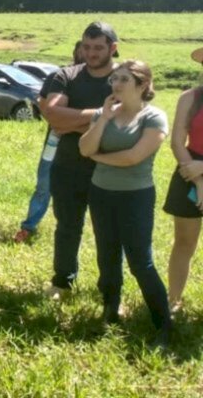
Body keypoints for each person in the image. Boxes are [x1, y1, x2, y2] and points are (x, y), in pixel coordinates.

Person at [78, 60, 171, 348]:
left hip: (135, 196)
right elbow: (84, 148)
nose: (116, 85)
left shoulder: (153, 117)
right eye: (114, 79)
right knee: (107, 256)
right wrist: (104, 118)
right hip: (101, 193)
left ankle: (164, 325)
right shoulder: (103, 113)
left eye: (124, 80)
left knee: (140, 261)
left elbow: (133, 157)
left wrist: (98, 158)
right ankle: (110, 310)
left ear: (142, 85)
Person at [40, 21, 119, 300]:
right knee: (67, 227)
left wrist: (71, 121)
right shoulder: (66, 75)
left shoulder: (123, 79)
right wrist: (101, 115)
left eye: (98, 47)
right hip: (68, 167)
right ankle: (62, 282)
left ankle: (110, 290)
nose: (91, 53)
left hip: (110, 169)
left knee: (108, 233)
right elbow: (52, 114)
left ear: (113, 48)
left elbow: (124, 121)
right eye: (87, 46)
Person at [14, 41, 85, 243]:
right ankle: (29, 227)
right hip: (54, 144)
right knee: (44, 186)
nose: (87, 53)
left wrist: (67, 124)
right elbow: (46, 108)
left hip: (87, 146)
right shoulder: (59, 77)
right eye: (83, 48)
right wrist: (68, 121)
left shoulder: (100, 82)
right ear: (75, 51)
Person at [164, 46, 203, 315]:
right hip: (188, 171)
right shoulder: (190, 98)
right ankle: (173, 301)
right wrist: (198, 178)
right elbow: (177, 141)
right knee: (184, 242)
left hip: (197, 167)